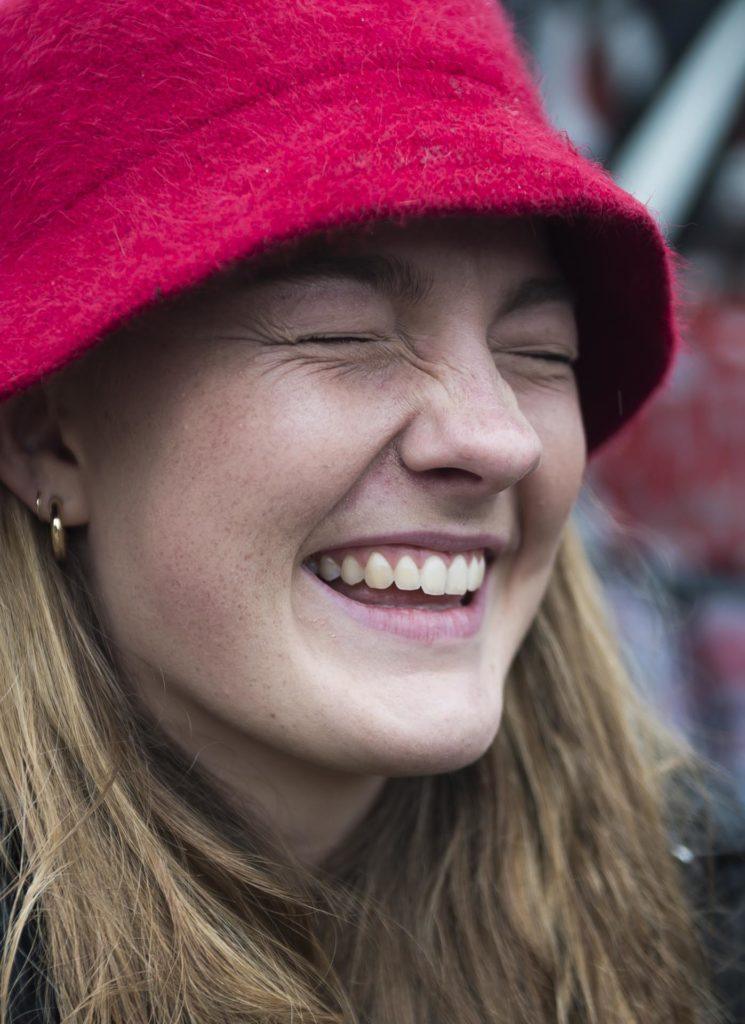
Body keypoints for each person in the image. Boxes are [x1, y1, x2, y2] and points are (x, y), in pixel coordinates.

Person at [0, 0, 743, 1021]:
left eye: (540, 354)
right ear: (49, 436)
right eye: (343, 333)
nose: (497, 439)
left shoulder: (705, 929)